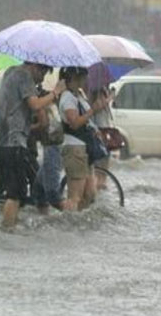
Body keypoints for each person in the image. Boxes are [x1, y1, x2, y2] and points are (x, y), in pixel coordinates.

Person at [0, 62, 65, 228]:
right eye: (43, 73)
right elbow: (35, 104)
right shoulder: (25, 76)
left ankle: (10, 228)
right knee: (15, 195)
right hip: (14, 142)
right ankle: (7, 232)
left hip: (1, 140)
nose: (41, 79)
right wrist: (55, 92)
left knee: (15, 191)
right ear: (35, 67)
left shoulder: (10, 71)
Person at [58, 67, 106, 211]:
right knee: (75, 197)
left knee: (90, 194)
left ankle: (78, 225)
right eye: (83, 76)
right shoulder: (67, 97)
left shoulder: (78, 95)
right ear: (73, 77)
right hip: (74, 148)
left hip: (86, 148)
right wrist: (93, 110)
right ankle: (67, 224)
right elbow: (74, 123)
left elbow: (86, 121)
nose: (86, 80)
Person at [32, 85, 66, 214]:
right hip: (55, 147)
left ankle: (74, 220)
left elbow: (44, 124)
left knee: (53, 195)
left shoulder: (42, 106)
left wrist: (28, 129)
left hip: (52, 148)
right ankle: (45, 222)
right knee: (38, 190)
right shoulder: (53, 105)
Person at [90, 87, 112, 190]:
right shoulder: (95, 90)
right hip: (99, 127)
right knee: (100, 156)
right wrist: (109, 98)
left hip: (106, 126)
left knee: (106, 156)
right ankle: (98, 181)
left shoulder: (103, 90)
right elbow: (96, 107)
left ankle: (103, 180)